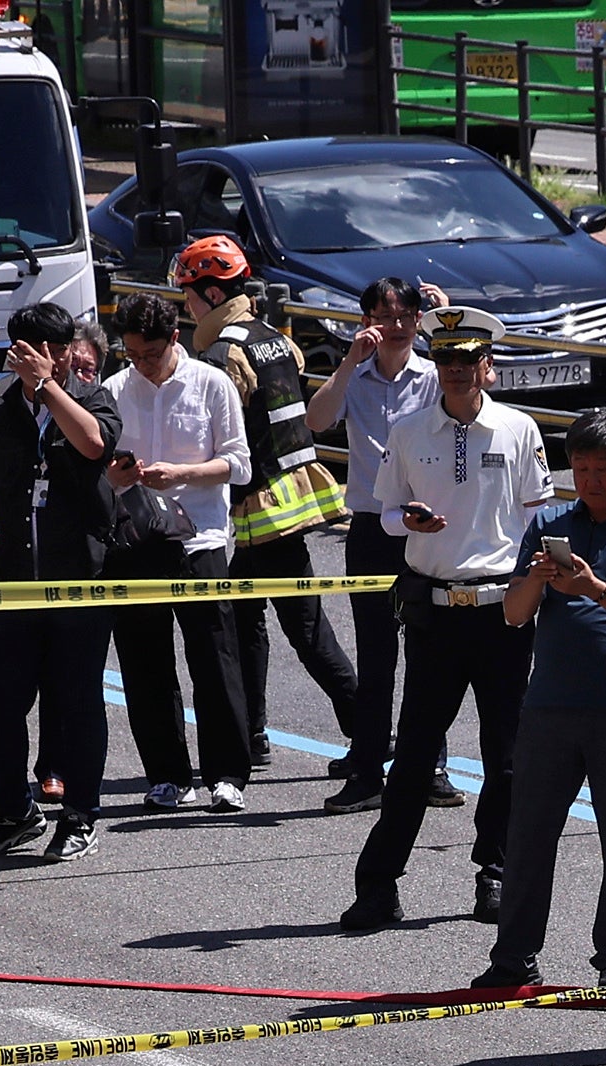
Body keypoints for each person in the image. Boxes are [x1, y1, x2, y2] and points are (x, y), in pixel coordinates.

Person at [345, 308, 547, 932]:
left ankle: (496, 874)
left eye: (468, 361)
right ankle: (379, 885)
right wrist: (407, 520)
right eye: (447, 360)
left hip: (501, 615)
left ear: (488, 367)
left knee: (505, 758)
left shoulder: (518, 429)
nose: (457, 371)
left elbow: (538, 514)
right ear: (436, 365)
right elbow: (382, 516)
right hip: (434, 612)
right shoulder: (407, 431)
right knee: (413, 757)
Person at [485, 405, 606, 992]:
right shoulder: (551, 525)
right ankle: (513, 959)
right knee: (528, 838)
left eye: (603, 468)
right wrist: (537, 579)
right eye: (581, 467)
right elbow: (514, 616)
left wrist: (593, 587)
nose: (591, 480)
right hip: (548, 706)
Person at [179, 235, 361, 783]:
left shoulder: (225, 353)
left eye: (189, 295)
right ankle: (253, 733)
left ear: (212, 293)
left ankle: (368, 729)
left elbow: (221, 434)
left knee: (298, 627)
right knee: (249, 622)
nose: (186, 307)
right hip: (287, 498)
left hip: (252, 509)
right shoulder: (274, 340)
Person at [0, 305, 123, 864]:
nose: (26, 357)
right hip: (12, 582)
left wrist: (48, 387)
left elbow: (95, 444)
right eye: (19, 347)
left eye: (40, 348)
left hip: (81, 581)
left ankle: (80, 814)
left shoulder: (91, 399)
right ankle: (11, 811)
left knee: (75, 703)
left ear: (65, 350)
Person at [104, 290, 254, 812]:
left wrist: (183, 474)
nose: (142, 365)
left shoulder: (212, 383)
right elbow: (96, 461)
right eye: (132, 355)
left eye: (150, 353)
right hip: (136, 538)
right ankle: (166, 774)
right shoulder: (114, 389)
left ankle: (228, 774)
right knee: (145, 663)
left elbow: (240, 464)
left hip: (202, 538)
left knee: (215, 658)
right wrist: (118, 476)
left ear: (174, 339)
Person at [307, 274, 448, 810]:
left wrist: (446, 325)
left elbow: (479, 389)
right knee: (376, 653)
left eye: (404, 316)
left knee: (430, 651)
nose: (393, 327)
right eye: (382, 316)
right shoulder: (356, 376)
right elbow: (317, 421)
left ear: (417, 320)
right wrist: (347, 362)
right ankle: (367, 769)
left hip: (426, 525)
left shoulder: (435, 376)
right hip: (370, 527)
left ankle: (429, 766)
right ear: (365, 321)